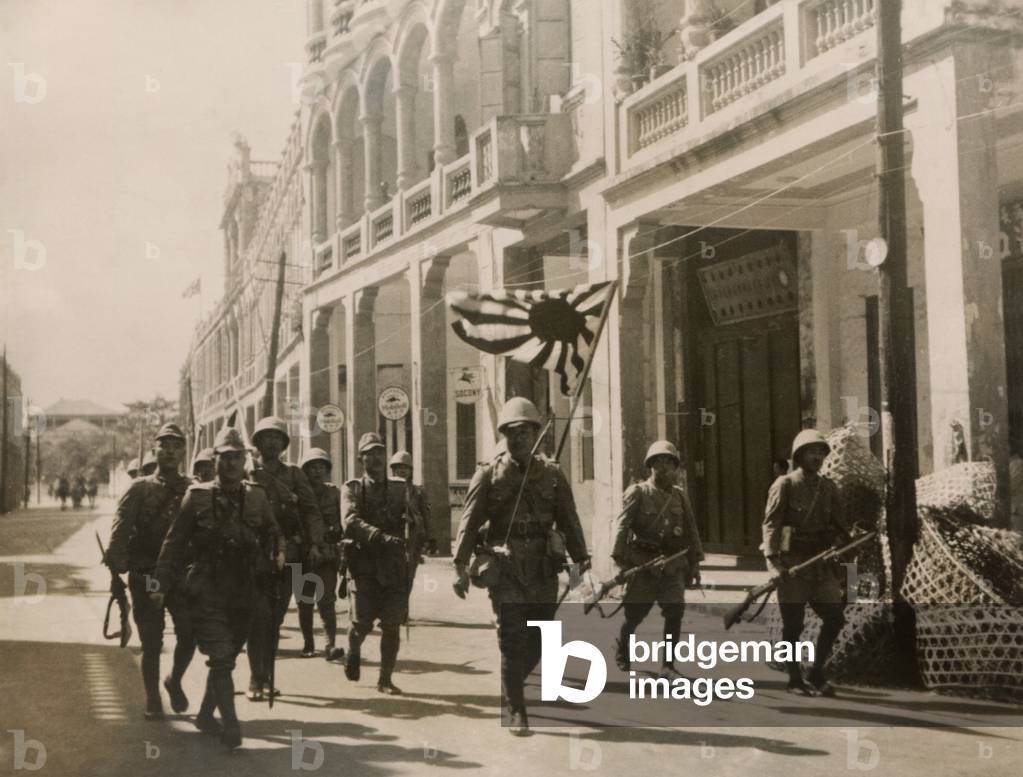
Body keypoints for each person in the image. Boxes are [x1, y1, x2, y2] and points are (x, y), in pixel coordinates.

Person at [452, 397, 590, 736]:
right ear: (504, 436)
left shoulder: (553, 474)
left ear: (535, 433)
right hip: (507, 564)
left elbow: (569, 520)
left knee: (541, 639)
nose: (520, 438)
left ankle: (510, 685)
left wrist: (581, 562)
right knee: (512, 638)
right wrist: (459, 566)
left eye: (526, 431)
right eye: (513, 432)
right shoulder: (489, 475)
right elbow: (469, 524)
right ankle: (515, 707)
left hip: (544, 565)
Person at [152, 427, 285, 749]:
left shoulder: (256, 495)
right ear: (216, 460)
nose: (231, 464)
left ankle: (205, 715)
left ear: (245, 460)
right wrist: (159, 584)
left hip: (245, 588)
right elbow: (173, 543)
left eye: (237, 457)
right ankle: (231, 725)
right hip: (207, 586)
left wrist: (279, 554)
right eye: (225, 457)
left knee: (229, 655)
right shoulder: (196, 496)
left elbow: (273, 531)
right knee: (222, 657)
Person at [106, 423, 197, 720]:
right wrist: (118, 562)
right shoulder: (139, 487)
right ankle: (152, 697)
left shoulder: (192, 488)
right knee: (152, 642)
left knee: (189, 634)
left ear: (183, 451)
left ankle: (174, 681)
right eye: (164, 445)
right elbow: (121, 529)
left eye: (176, 446)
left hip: (181, 575)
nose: (170, 451)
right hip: (145, 573)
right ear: (154, 451)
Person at [763, 429, 851, 697]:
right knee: (793, 625)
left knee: (835, 618)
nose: (817, 457)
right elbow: (771, 526)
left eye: (821, 452)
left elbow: (839, 526)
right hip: (793, 565)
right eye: (811, 452)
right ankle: (794, 678)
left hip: (821, 565)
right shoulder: (785, 485)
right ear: (798, 456)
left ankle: (816, 671)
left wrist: (841, 541)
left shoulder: (828, 487)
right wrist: (774, 565)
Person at [245, 416, 325, 701]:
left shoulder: (293, 474)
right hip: (255, 554)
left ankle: (266, 673)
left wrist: (315, 543)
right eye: (266, 437)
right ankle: (257, 678)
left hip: (290, 553)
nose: (272, 442)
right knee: (258, 616)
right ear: (257, 442)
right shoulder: (248, 471)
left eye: (277, 437)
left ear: (283, 444)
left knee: (276, 617)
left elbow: (311, 510)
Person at [612, 440, 703, 677]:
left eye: (668, 464)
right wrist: (619, 561)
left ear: (675, 468)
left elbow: (691, 531)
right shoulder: (639, 492)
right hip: (644, 564)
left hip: (673, 565)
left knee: (675, 612)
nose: (663, 469)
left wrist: (694, 565)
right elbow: (622, 527)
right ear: (650, 467)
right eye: (658, 463)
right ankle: (623, 648)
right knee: (635, 614)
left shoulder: (680, 497)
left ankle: (668, 665)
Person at [341, 432, 412, 694]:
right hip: (364, 566)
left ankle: (385, 679)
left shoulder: (399, 488)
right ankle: (353, 650)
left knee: (392, 625)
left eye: (380, 452)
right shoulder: (352, 488)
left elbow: (413, 518)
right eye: (369, 453)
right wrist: (378, 536)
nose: (376, 458)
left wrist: (418, 536)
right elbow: (349, 521)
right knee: (361, 625)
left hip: (393, 567)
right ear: (361, 459)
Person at [298, 447, 345, 661]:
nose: (317, 472)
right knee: (304, 601)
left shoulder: (334, 493)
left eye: (321, 467)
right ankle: (308, 642)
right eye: (312, 468)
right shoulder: (298, 494)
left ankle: (330, 645)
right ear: (305, 471)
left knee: (326, 600)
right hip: (302, 554)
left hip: (327, 554)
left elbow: (342, 523)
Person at [388, 451, 432, 604]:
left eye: (405, 467)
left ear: (411, 470)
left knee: (408, 574)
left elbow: (425, 516)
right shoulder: (386, 489)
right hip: (392, 538)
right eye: (398, 467)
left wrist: (413, 520)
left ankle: (403, 606)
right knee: (392, 574)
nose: (402, 470)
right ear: (392, 470)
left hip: (412, 539)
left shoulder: (418, 491)